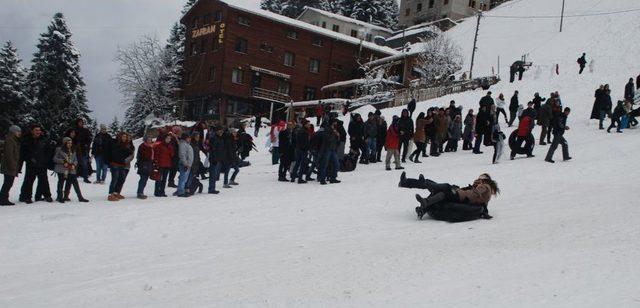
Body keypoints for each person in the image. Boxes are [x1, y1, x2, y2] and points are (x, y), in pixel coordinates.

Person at [400, 173, 498, 221]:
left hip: (461, 197)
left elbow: (477, 193)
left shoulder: (485, 186)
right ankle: (425, 200)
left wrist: (474, 187)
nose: (478, 179)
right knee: (441, 192)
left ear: (485, 180)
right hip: (460, 195)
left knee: (445, 187)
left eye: (480, 178)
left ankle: (419, 184)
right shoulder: (479, 186)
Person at [19, 124, 53, 204]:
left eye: (39, 130)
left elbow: (49, 151)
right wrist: (29, 159)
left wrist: (46, 160)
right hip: (31, 164)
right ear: (32, 131)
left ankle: (47, 195)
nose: (38, 132)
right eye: (36, 130)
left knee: (44, 181)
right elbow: (23, 153)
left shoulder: (44, 140)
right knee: (28, 181)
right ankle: (25, 197)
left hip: (42, 164)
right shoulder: (27, 140)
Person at [53, 137, 88, 203]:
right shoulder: (59, 149)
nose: (70, 144)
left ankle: (79, 197)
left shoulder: (73, 150)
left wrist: (74, 165)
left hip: (71, 169)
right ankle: (60, 197)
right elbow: (54, 158)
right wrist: (63, 161)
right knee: (61, 182)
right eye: (68, 143)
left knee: (74, 182)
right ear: (64, 143)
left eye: (71, 143)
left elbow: (75, 159)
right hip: (62, 169)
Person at [106, 132, 134, 201]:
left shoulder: (125, 145)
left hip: (122, 165)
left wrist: (128, 148)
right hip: (115, 164)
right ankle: (110, 194)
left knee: (121, 179)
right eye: (123, 136)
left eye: (125, 137)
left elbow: (130, 153)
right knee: (114, 179)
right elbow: (114, 154)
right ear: (120, 137)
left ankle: (116, 192)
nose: (124, 138)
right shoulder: (115, 144)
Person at [1, 125, 22, 206]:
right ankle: (3, 199)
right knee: (8, 183)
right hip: (9, 166)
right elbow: (9, 154)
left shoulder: (14, 140)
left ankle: (3, 198)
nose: (19, 133)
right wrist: (13, 166)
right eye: (18, 131)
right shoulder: (10, 140)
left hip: (11, 166)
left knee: (8, 183)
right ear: (13, 132)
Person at [317, 120, 341, 184]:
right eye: (335, 122)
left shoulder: (334, 129)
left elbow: (336, 140)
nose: (336, 123)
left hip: (332, 149)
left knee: (336, 164)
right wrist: (334, 133)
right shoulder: (327, 129)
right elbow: (328, 139)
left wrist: (338, 136)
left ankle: (333, 178)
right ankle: (322, 179)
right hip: (327, 149)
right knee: (324, 164)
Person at [72, 118, 93, 183]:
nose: (80, 123)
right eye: (79, 122)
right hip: (75, 149)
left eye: (81, 122)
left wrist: (87, 145)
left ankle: (85, 178)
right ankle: (73, 177)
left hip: (83, 150)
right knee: (74, 164)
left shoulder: (86, 130)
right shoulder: (74, 130)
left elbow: (89, 139)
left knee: (85, 164)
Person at [208, 126, 226, 194]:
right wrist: (214, 159)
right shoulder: (214, 138)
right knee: (213, 175)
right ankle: (211, 189)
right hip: (214, 159)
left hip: (218, 159)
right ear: (216, 131)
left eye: (222, 131)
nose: (221, 132)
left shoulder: (220, 138)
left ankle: (212, 188)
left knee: (215, 175)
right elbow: (213, 150)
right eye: (219, 131)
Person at [176, 133, 194, 197]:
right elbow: (182, 154)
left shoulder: (187, 144)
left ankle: (180, 190)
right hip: (184, 164)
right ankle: (180, 192)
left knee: (184, 179)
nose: (189, 139)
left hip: (188, 164)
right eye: (188, 137)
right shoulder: (183, 144)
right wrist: (185, 163)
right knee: (183, 179)